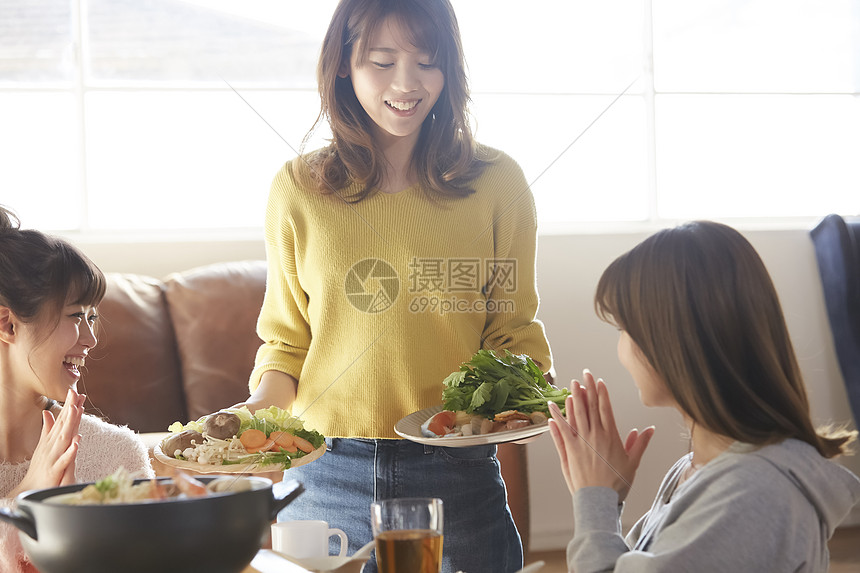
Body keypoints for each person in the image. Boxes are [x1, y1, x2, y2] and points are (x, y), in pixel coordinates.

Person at [236, 1, 552, 572]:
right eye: (382, 61)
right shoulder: (296, 190)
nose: (406, 84)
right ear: (343, 65)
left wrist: (525, 402)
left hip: (454, 475)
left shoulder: (497, 185)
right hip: (322, 475)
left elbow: (513, 331)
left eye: (427, 63)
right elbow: (287, 343)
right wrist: (256, 419)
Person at [547, 220, 860, 572]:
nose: (621, 348)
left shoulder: (752, 497)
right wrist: (605, 496)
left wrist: (594, 500)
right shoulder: (698, 468)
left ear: (672, 341)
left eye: (623, 328)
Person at [0, 206, 154, 572]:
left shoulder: (117, 456)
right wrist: (24, 500)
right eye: (75, 316)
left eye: (93, 317)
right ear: (7, 324)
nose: (90, 339)